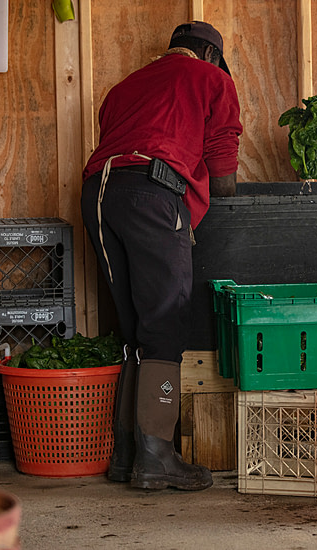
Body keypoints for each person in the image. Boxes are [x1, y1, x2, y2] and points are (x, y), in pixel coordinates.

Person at [80, 21, 242, 491]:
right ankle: (158, 456)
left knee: (134, 326)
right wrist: (224, 194)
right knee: (167, 324)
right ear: (211, 55)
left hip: (98, 194)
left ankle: (127, 452)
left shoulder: (123, 87)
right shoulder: (213, 80)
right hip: (153, 194)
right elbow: (222, 164)